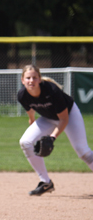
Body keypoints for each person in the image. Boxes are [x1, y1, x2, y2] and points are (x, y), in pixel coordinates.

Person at [18, 64, 93, 196]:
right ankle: (46, 182)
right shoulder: (22, 95)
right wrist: (32, 124)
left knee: (83, 151)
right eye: (28, 78)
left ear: (40, 79)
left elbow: (63, 119)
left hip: (69, 115)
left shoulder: (51, 90)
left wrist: (52, 138)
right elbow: (30, 112)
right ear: (22, 80)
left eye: (34, 77)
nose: (31, 81)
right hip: (48, 118)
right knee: (25, 142)